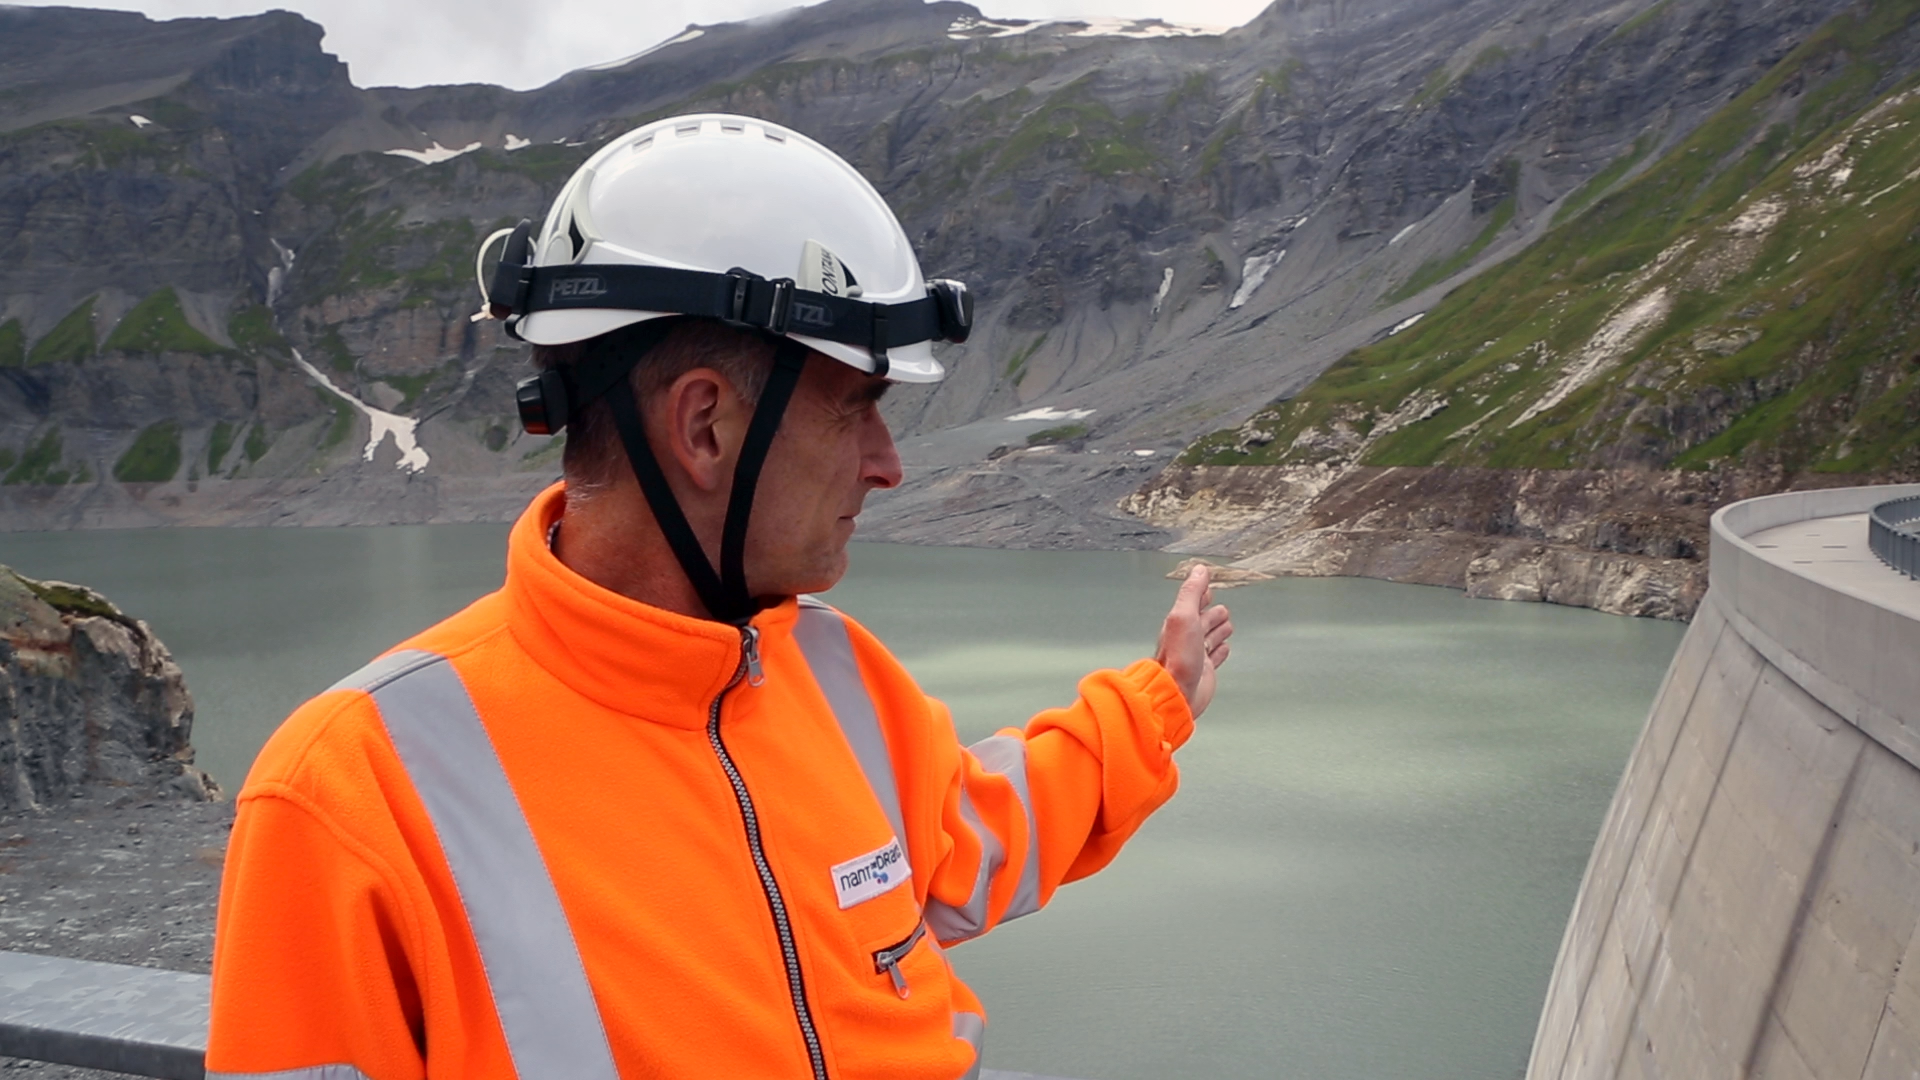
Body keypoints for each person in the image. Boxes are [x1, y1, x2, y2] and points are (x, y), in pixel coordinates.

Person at [205, 113, 1233, 1080]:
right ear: (705, 427)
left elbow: (976, 841)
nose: (888, 466)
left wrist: (1155, 707)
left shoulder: (833, 671)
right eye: (857, 409)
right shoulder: (349, 793)